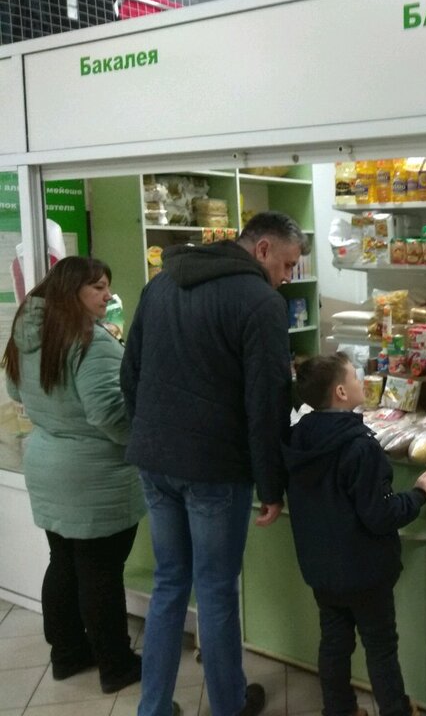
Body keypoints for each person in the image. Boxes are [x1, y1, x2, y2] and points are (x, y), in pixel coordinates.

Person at [121, 212, 308, 716]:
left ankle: (153, 708)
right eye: (287, 264)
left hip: (155, 461)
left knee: (169, 583)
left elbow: (129, 373)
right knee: (216, 591)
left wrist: (152, 436)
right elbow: (266, 402)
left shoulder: (160, 285)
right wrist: (271, 485)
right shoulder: (260, 302)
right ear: (263, 249)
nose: (287, 277)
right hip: (215, 470)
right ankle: (229, 706)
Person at [2, 256, 145, 693]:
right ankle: (116, 666)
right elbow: (109, 414)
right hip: (94, 474)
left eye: (107, 286)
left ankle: (66, 654)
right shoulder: (90, 342)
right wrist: (143, 441)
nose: (108, 295)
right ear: (70, 291)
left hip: (48, 463)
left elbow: (14, 389)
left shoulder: (28, 333)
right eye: (97, 287)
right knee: (101, 573)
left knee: (63, 562)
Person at [284, 354, 426, 716]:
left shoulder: (299, 438)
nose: (362, 382)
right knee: (381, 646)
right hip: (365, 570)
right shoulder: (359, 446)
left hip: (321, 569)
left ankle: (339, 709)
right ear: (341, 392)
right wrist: (419, 493)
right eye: (356, 377)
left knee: (334, 642)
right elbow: (381, 514)